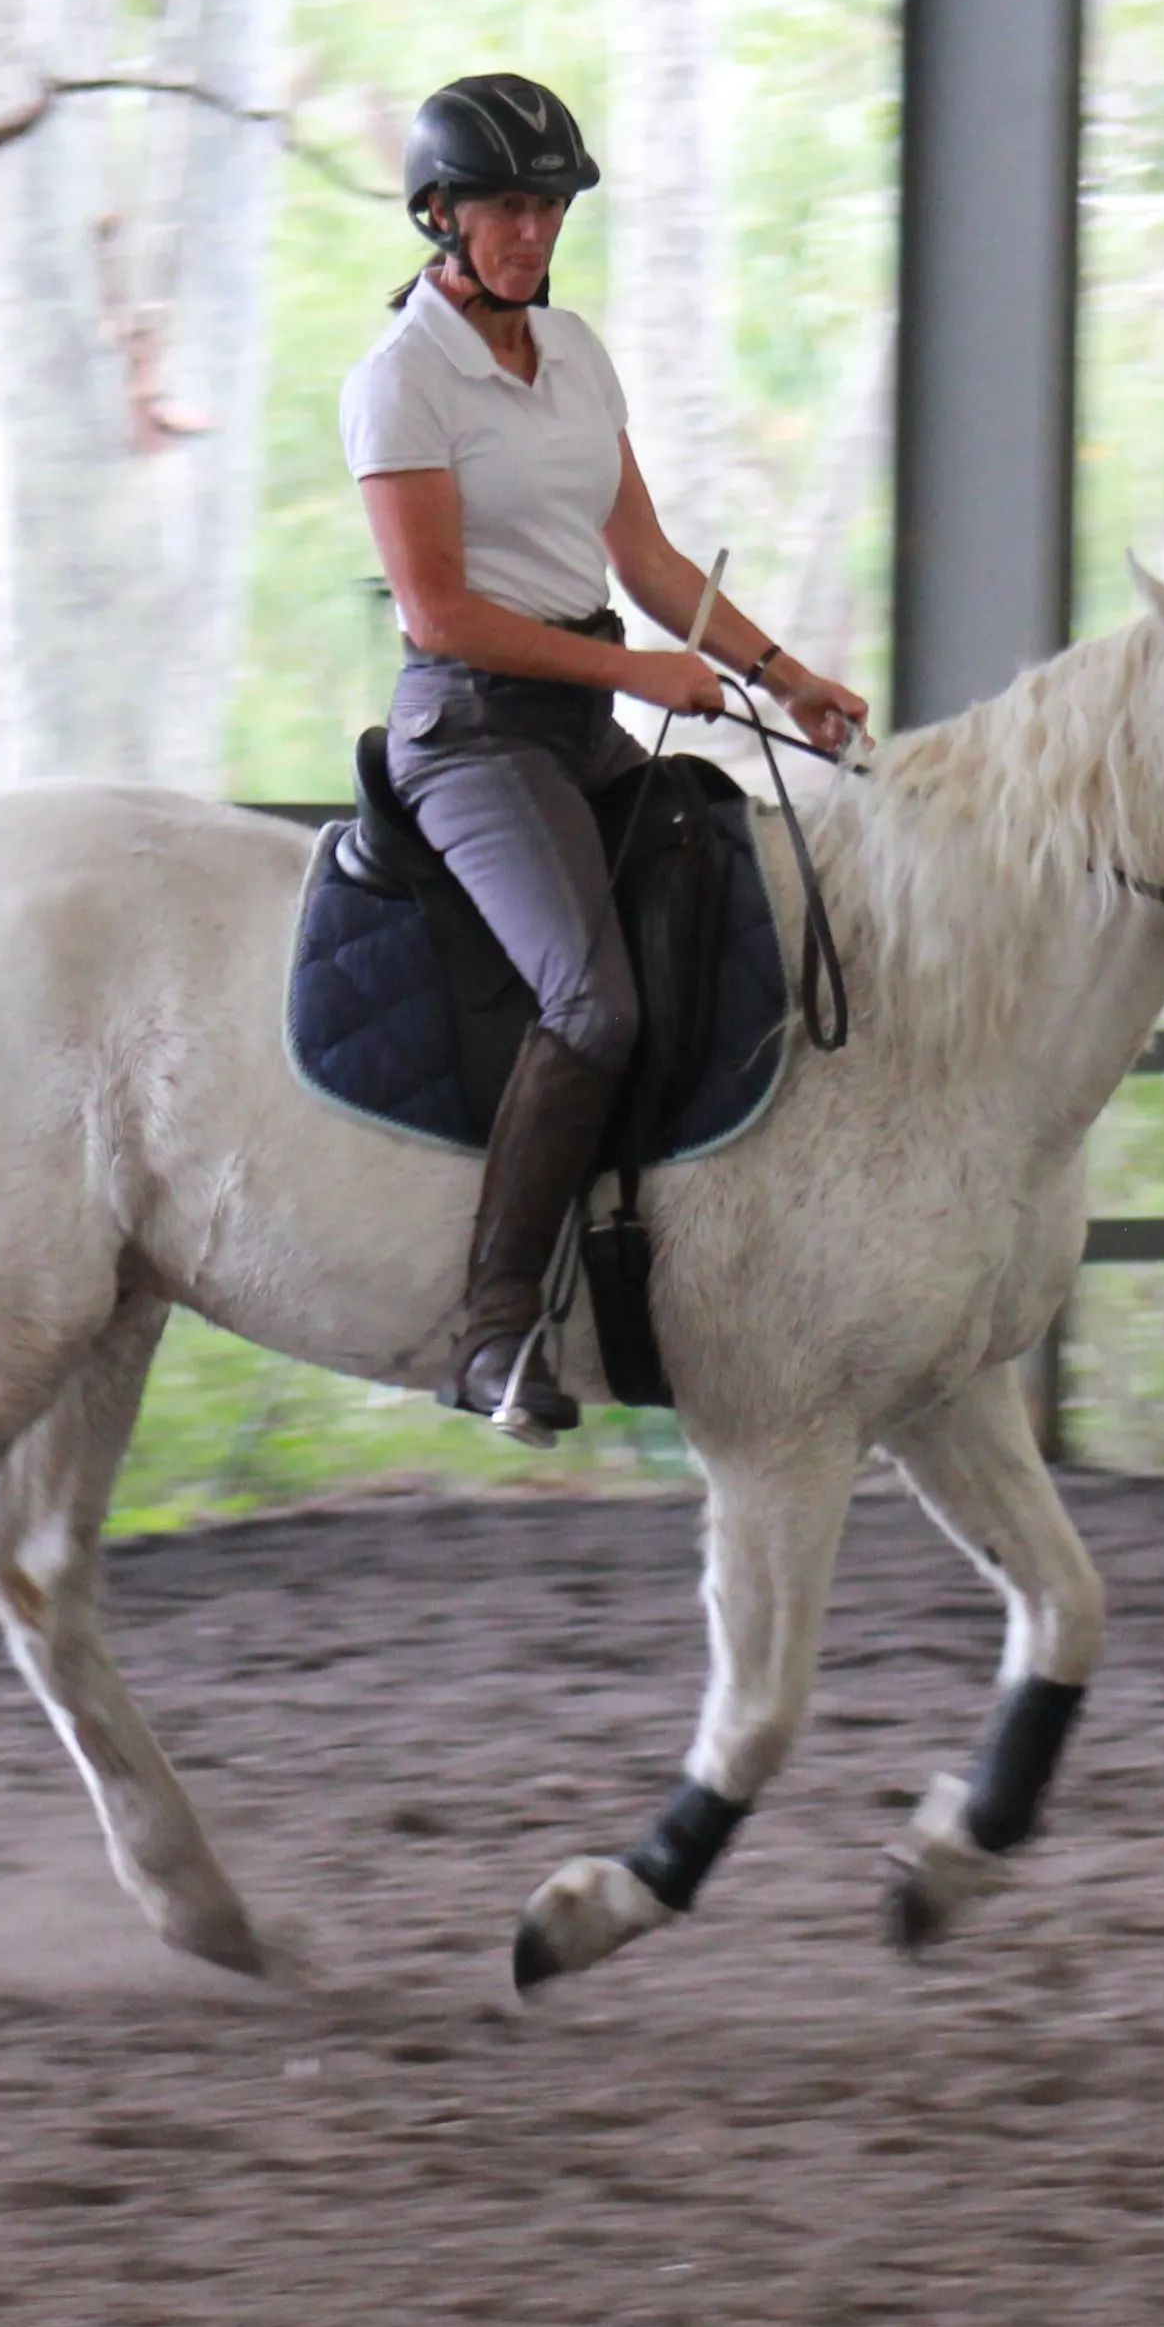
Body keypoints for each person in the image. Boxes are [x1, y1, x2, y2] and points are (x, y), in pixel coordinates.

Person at [342, 71, 868, 1441]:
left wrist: (788, 679)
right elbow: (440, 612)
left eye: (550, 205)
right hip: (469, 730)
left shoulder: (573, 354)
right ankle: (496, 1326)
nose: (533, 230)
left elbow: (645, 561)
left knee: (743, 916)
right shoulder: (400, 383)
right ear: (440, 216)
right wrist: (637, 671)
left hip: (584, 723)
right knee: (594, 1003)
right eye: (507, 207)